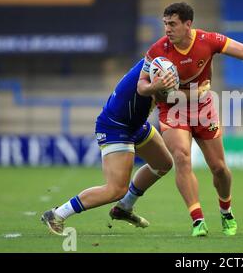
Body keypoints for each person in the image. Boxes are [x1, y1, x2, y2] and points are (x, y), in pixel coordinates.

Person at [139, 2, 243, 237]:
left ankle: (226, 210)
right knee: (181, 157)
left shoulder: (208, 40)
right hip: (173, 110)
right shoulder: (157, 50)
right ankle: (197, 219)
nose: (167, 30)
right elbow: (141, 85)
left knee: (219, 168)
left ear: (188, 24)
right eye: (165, 24)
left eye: (172, 24)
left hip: (204, 108)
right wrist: (154, 86)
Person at [41, 58, 176, 235]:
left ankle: (124, 208)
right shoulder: (150, 75)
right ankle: (56, 214)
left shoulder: (155, 64)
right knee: (116, 189)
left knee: (163, 163)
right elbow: (155, 94)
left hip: (135, 124)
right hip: (115, 127)